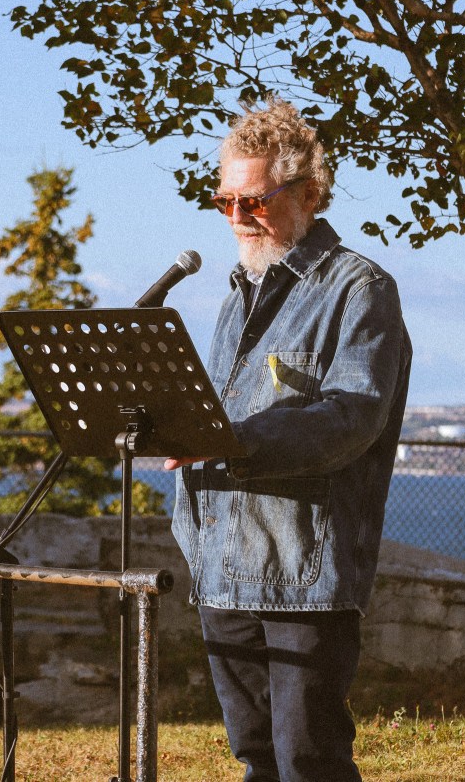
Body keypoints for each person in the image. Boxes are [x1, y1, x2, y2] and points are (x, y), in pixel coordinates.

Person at [163, 97, 412, 782]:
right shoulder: (233, 298)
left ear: (309, 193)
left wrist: (233, 440)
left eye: (255, 201)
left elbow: (352, 416)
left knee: (309, 761)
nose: (237, 217)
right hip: (221, 566)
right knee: (257, 759)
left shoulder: (360, 289)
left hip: (304, 574)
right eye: (225, 201)